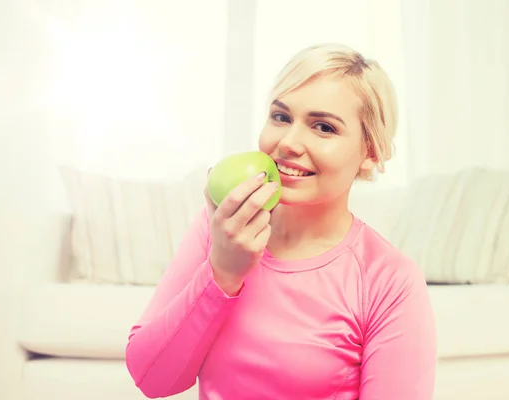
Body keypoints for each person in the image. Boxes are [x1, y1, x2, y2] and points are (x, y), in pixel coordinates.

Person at [125, 43, 437, 399]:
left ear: (370, 153)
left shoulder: (390, 280)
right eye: (281, 117)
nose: (288, 143)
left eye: (323, 127)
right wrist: (222, 272)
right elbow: (153, 379)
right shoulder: (225, 230)